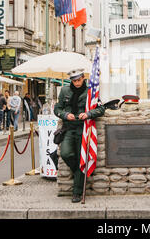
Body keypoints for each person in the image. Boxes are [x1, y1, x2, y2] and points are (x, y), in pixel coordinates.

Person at [54, 69, 105, 203]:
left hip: (84, 128)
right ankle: (78, 170)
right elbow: (57, 109)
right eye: (74, 80)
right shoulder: (65, 91)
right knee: (66, 153)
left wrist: (88, 114)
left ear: (83, 78)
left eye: (78, 80)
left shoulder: (91, 91)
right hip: (69, 128)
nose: (76, 83)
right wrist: (65, 115)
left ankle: (76, 193)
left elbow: (101, 109)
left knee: (83, 158)